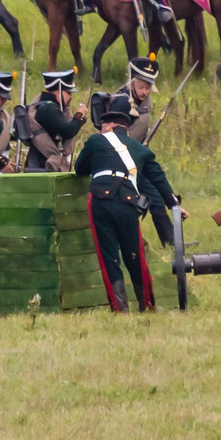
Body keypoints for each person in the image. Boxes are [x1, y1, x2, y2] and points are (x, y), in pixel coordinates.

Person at [72, 93, 164, 312]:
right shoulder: (134, 146)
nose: (101, 127)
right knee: (134, 255)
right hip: (127, 200)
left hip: (100, 200)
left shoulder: (96, 141)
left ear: (110, 124)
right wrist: (171, 200)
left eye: (103, 123)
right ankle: (147, 304)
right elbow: (157, 177)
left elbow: (79, 169)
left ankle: (120, 308)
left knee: (109, 257)